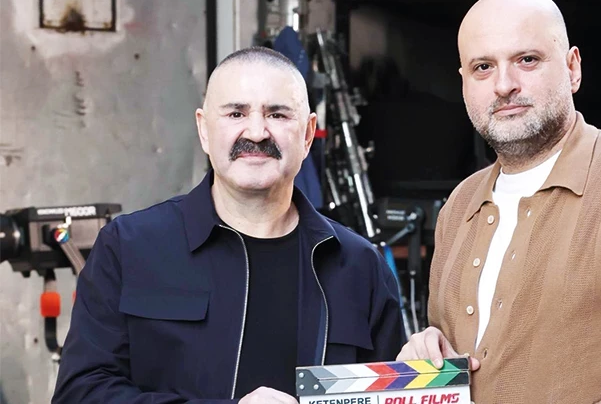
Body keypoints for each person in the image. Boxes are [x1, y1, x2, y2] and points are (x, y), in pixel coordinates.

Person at [397, 0, 601, 404]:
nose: (504, 85)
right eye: (483, 67)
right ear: (464, 83)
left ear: (572, 68)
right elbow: (458, 370)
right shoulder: (460, 205)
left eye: (527, 60)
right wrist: (423, 362)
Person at [53, 47, 405, 404]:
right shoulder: (129, 248)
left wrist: (425, 370)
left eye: (278, 114)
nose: (257, 132)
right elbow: (80, 394)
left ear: (308, 134)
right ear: (204, 130)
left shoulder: (361, 267)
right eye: (236, 113)